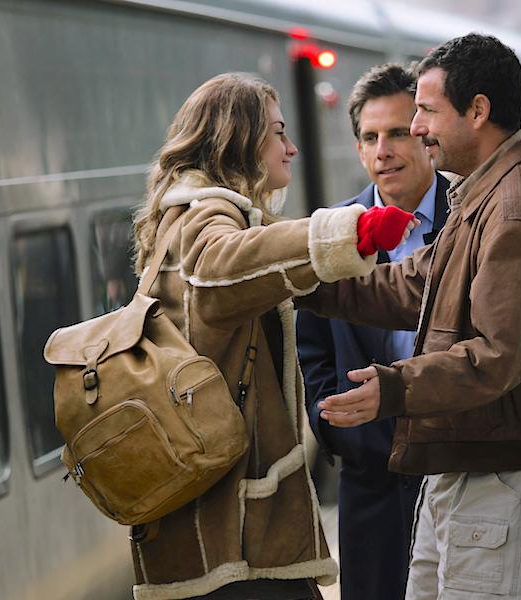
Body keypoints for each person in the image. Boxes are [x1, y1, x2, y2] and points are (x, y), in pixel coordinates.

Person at [296, 33, 521, 599]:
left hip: (504, 480)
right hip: (476, 470)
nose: (417, 129)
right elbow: (414, 283)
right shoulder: (486, 197)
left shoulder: (518, 208)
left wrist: (394, 388)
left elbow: (496, 354)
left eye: (427, 112)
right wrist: (302, 283)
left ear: (477, 111)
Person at [128, 72, 414, 600]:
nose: (291, 147)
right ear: (240, 140)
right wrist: (350, 232)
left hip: (222, 514)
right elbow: (221, 266)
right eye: (278, 133)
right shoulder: (206, 215)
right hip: (231, 531)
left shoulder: (187, 213)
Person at [297, 63, 450, 600]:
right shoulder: (331, 236)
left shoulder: (470, 222)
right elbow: (311, 349)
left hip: (455, 474)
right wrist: (341, 434)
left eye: (398, 133)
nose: (383, 150)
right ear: (359, 149)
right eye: (370, 137)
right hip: (370, 482)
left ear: (426, 136)